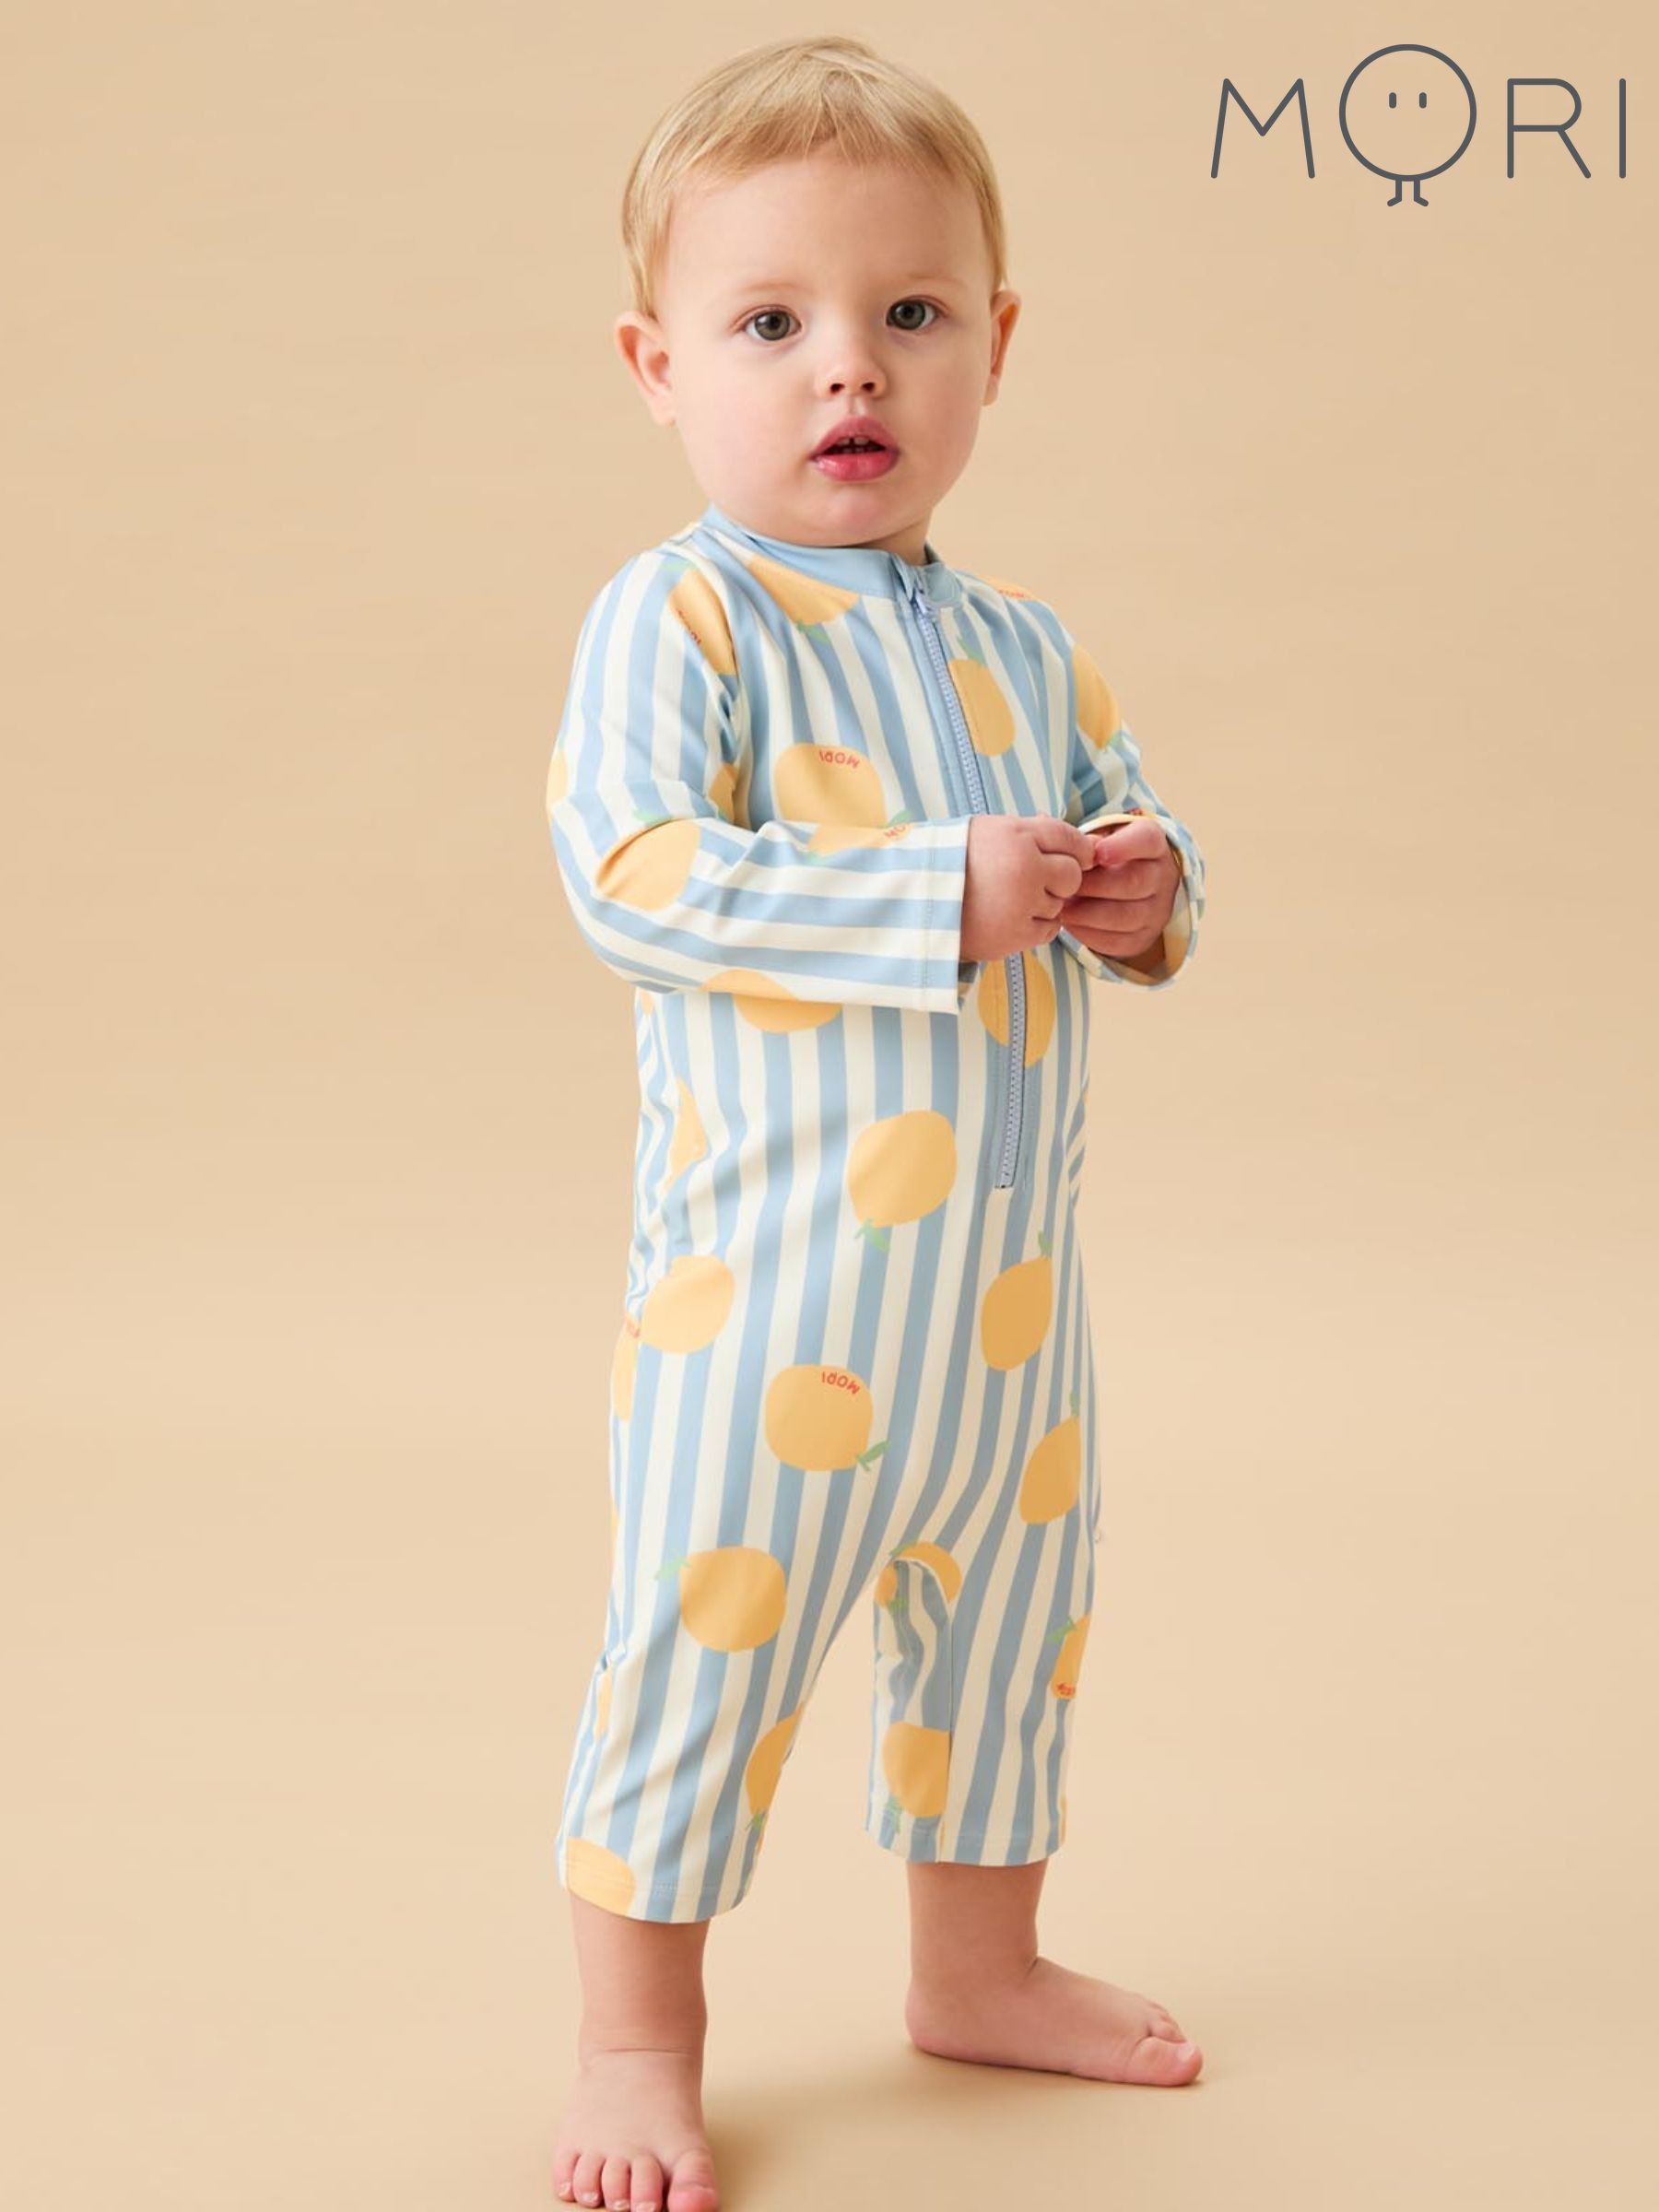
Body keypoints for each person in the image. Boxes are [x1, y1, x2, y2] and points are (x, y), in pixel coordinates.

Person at [542, 34, 1208, 2212]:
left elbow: (1131, 831)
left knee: (1009, 1654)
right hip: (769, 1325)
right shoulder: (682, 617)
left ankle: (978, 1971)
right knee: (697, 1667)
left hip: (1007, 1326)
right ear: (660, 368)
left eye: (909, 312)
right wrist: (934, 895)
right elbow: (634, 878)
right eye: (771, 322)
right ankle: (638, 2044)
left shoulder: (1029, 646)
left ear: (993, 344)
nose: (851, 366)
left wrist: (1145, 893)